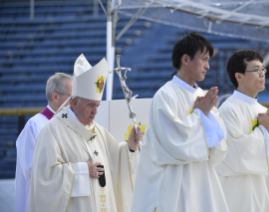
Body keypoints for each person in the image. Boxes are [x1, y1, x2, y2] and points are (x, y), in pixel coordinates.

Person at [28, 54, 143, 212]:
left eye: (97, 105)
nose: (95, 112)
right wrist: (81, 171)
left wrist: (130, 147)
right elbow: (44, 180)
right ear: (74, 102)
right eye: (90, 105)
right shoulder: (52, 131)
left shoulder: (99, 132)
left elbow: (116, 163)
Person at [130, 32, 229, 212]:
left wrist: (204, 114)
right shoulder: (166, 95)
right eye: (204, 59)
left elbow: (219, 142)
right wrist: (199, 114)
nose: (208, 66)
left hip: (201, 182)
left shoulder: (203, 97)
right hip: (173, 185)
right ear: (186, 59)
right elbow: (175, 142)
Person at [216, 50, 269, 212]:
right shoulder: (228, 110)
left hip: (268, 188)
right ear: (239, 76)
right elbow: (233, 154)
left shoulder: (263, 110)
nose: (262, 74)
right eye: (256, 70)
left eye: (263, 70)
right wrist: (263, 131)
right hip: (241, 193)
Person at [15, 72, 72, 212]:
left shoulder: (70, 124)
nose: (74, 103)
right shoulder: (35, 125)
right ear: (55, 96)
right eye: (71, 98)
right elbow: (32, 169)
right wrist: (75, 169)